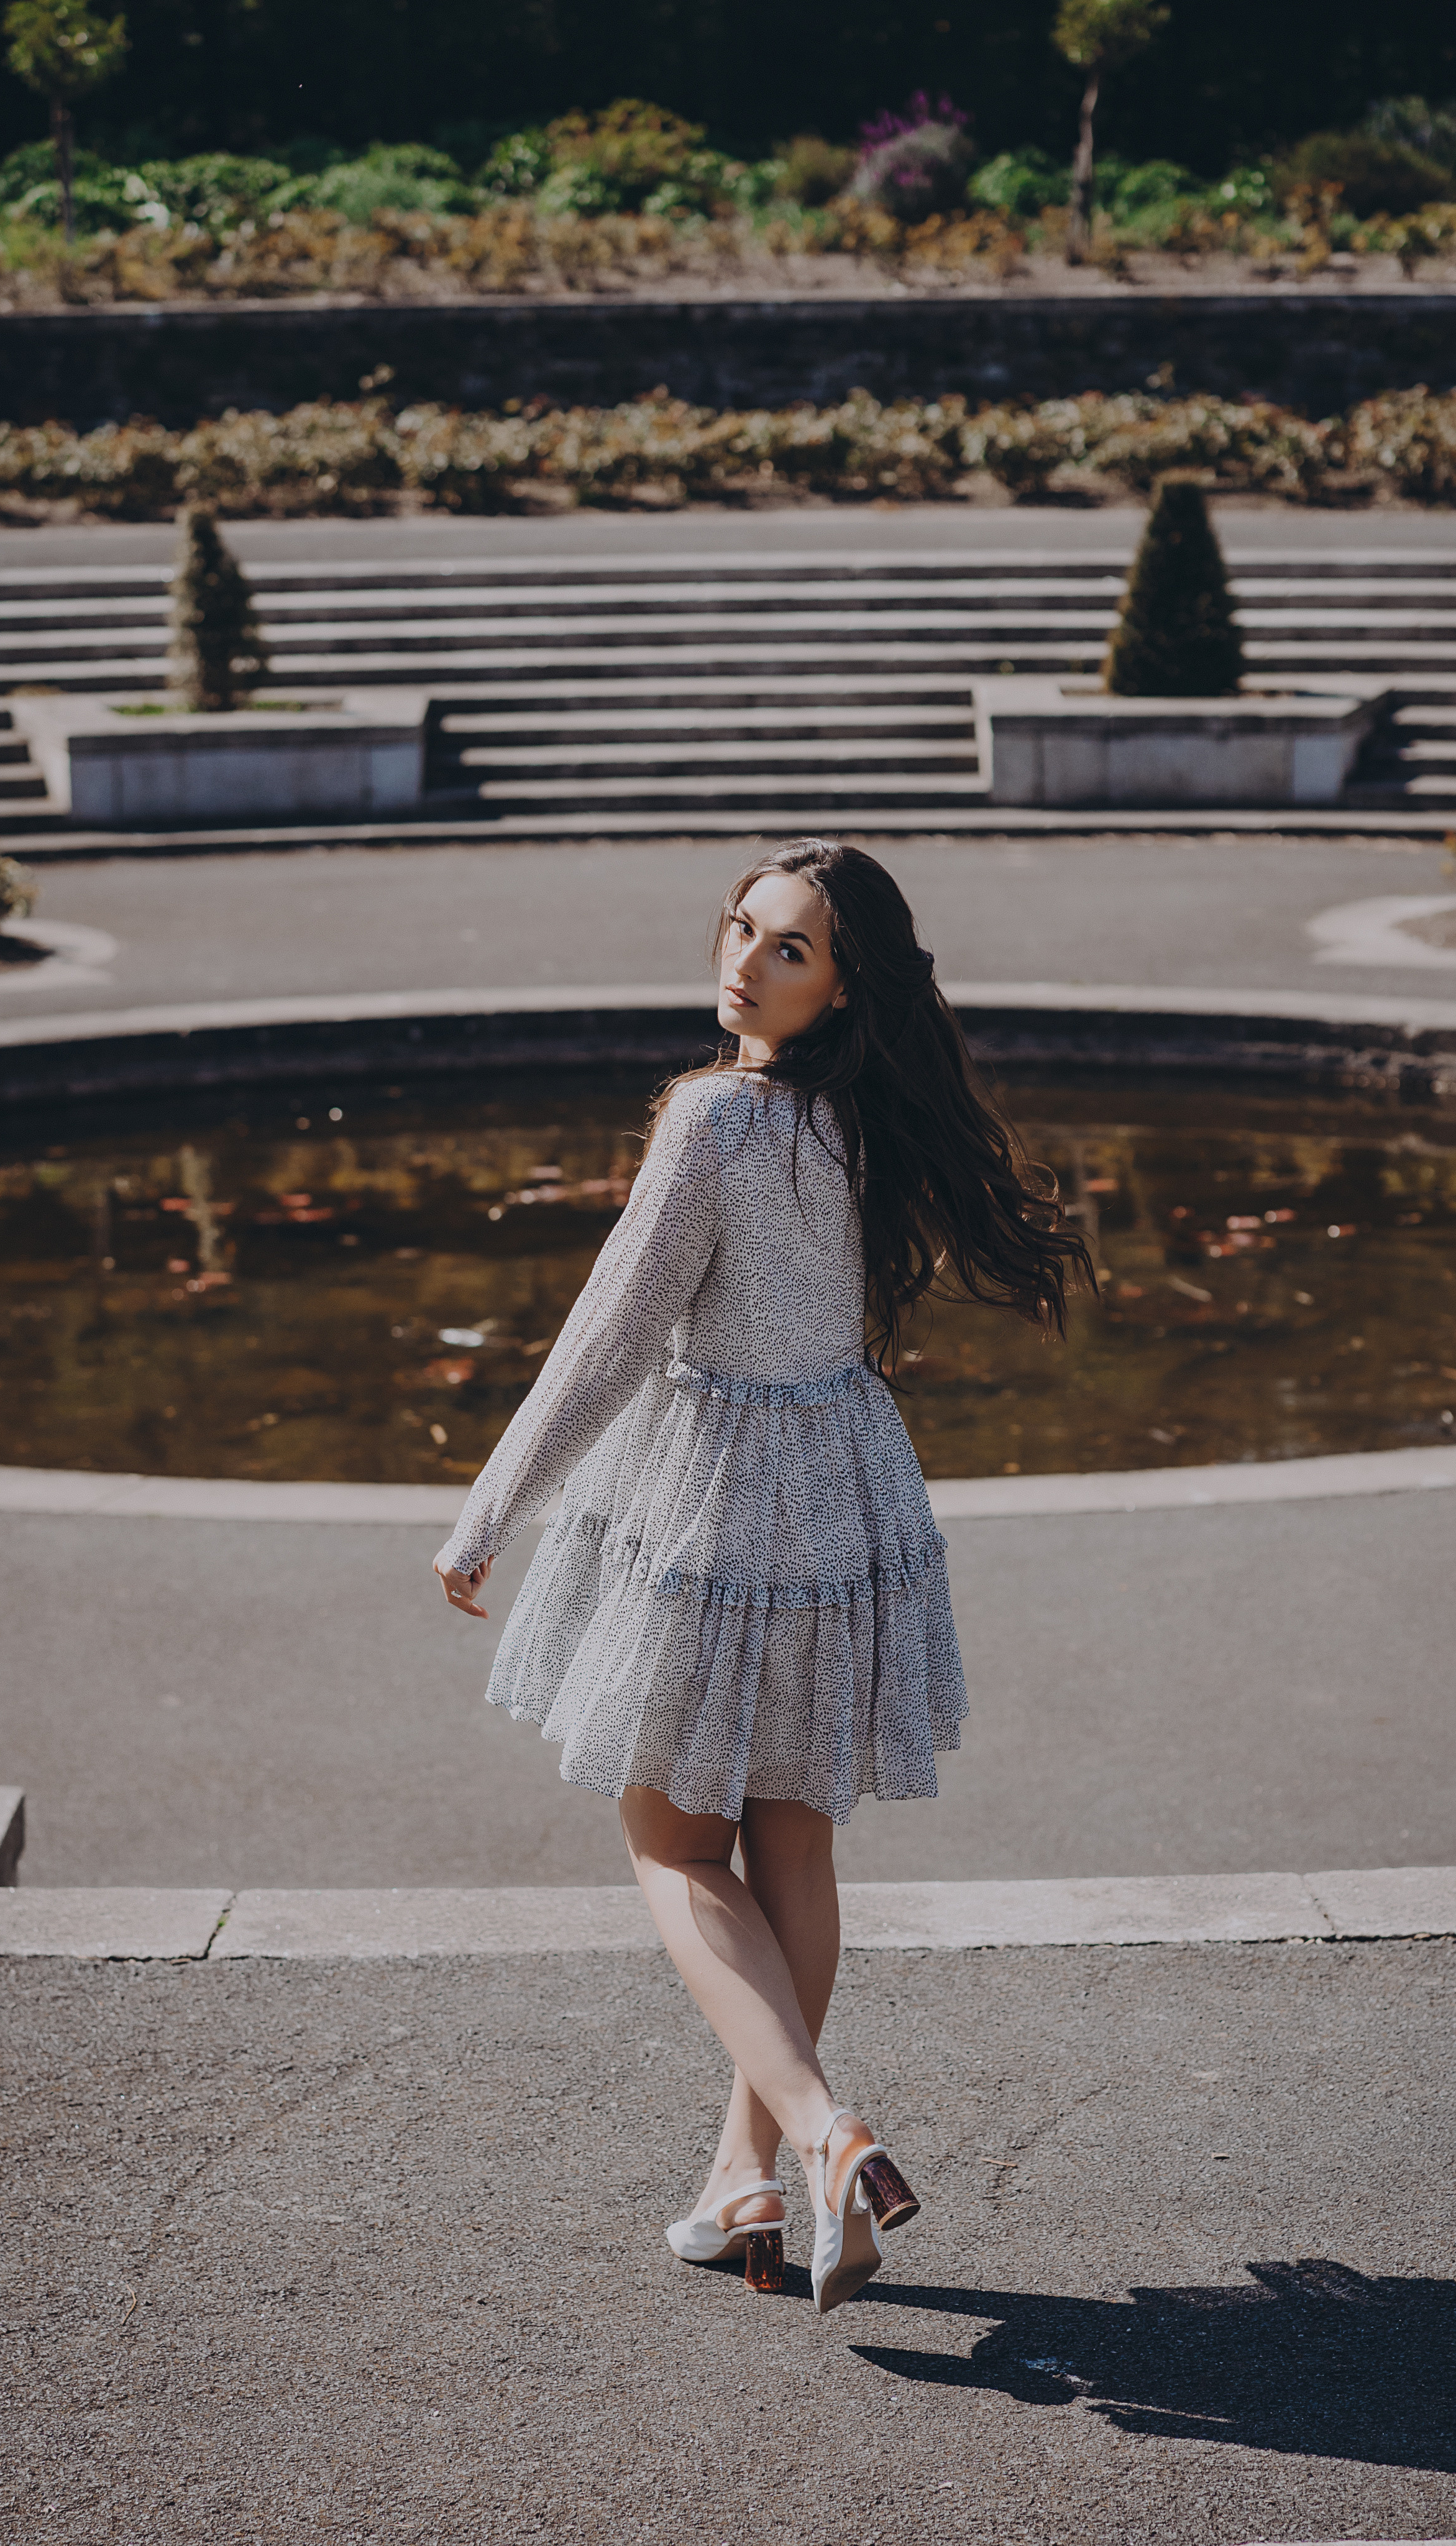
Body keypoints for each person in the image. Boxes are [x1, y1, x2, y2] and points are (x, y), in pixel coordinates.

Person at [433, 839, 1090, 2314]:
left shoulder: (711, 1119)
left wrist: (491, 1505)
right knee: (791, 1850)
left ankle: (822, 2127)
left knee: (670, 1848)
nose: (744, 958)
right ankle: (744, 2186)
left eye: (787, 945)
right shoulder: (866, 1119)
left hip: (717, 1496)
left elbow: (610, 1333)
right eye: (741, 927)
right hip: (844, 1488)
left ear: (841, 979)